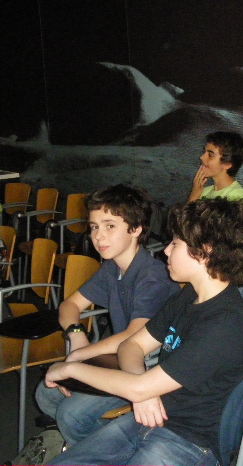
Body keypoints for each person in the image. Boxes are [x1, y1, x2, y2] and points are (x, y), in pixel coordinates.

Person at [46, 198, 243, 466]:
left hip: (191, 441)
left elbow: (138, 385)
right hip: (150, 418)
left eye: (176, 243)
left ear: (204, 252)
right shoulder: (190, 295)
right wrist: (145, 391)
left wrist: (68, 368)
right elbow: (131, 346)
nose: (166, 250)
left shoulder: (224, 324)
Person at [35, 184, 181, 446]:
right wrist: (77, 336)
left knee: (71, 415)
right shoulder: (112, 267)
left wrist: (79, 356)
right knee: (46, 393)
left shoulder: (152, 277)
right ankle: (98, 445)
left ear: (135, 229)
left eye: (110, 226)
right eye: (94, 227)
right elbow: (69, 305)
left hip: (147, 367)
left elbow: (133, 336)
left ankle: (106, 452)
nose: (98, 236)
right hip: (117, 357)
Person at [187, 131, 243, 202]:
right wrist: (194, 194)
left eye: (210, 155)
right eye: (204, 152)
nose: (202, 157)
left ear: (227, 164)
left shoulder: (237, 196)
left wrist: (194, 197)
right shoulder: (203, 191)